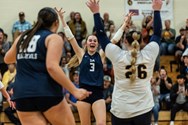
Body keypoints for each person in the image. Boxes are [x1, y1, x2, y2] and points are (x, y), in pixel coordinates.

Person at [4, 7, 91, 125]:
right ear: (56, 22)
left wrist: (27, 54)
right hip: (45, 91)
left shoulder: (23, 37)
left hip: (22, 94)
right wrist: (74, 90)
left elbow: (7, 59)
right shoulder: (53, 37)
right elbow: (52, 67)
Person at [86, 0, 162, 125]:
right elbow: (158, 34)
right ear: (141, 41)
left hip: (121, 109)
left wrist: (96, 13)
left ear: (125, 42)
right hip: (143, 108)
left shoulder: (117, 55)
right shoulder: (150, 53)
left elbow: (102, 37)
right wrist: (157, 10)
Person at [57, 8, 106, 125]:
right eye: (90, 40)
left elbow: (113, 41)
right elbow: (71, 38)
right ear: (86, 43)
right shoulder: (81, 54)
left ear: (97, 44)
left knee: (101, 123)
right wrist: (63, 19)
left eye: (95, 40)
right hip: (83, 93)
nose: (93, 42)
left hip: (98, 93)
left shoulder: (101, 54)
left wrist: (124, 25)